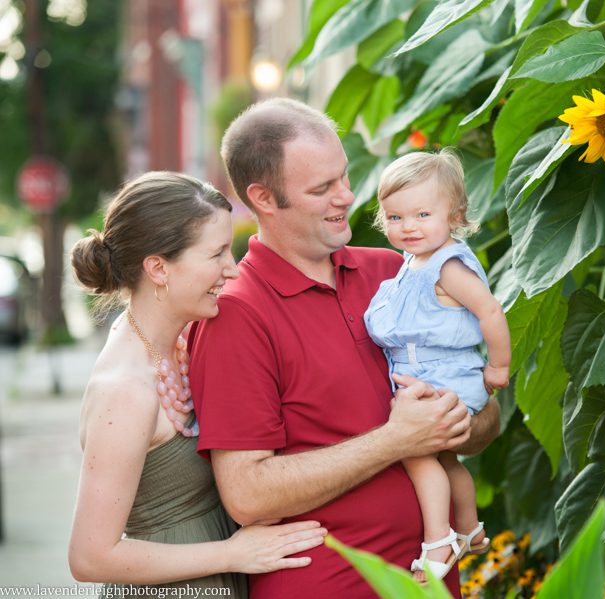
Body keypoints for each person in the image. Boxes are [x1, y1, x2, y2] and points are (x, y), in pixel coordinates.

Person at [188, 98, 500, 598]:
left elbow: (487, 421)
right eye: (322, 189)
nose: (347, 197)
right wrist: (397, 440)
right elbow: (247, 495)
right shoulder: (237, 313)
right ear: (264, 198)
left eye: (344, 178)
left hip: (432, 585)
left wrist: (456, 418)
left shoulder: (398, 271)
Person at [68, 172, 326, 598]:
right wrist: (232, 554)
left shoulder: (183, 342)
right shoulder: (125, 390)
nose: (232, 267)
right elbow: (89, 557)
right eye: (216, 253)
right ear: (158, 268)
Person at [363, 150, 511, 581]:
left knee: (416, 451)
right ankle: (467, 528)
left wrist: (498, 367)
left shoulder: (447, 266)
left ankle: (438, 539)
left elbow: (491, 313)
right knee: (447, 461)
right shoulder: (415, 263)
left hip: (446, 377)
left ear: (456, 215)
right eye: (395, 217)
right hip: (430, 375)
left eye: (422, 214)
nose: (408, 226)